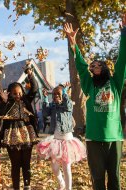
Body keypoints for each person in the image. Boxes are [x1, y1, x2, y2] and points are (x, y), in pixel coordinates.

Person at [64, 13, 126, 190]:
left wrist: (124, 32)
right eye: (93, 65)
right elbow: (82, 67)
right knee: (97, 179)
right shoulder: (89, 85)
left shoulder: (115, 82)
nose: (94, 67)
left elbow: (122, 59)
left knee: (114, 178)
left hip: (114, 138)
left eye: (99, 64)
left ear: (105, 68)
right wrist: (73, 43)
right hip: (93, 139)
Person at [0, 62, 39, 190]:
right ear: (9, 94)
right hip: (12, 135)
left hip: (27, 134)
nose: (18, 96)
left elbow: (35, 88)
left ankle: (27, 185)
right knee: (15, 164)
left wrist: (29, 73)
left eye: (19, 93)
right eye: (14, 93)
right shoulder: (6, 102)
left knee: (26, 163)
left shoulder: (26, 100)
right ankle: (16, 187)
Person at [37, 85, 86, 190]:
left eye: (58, 94)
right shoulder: (53, 106)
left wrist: (64, 93)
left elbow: (68, 106)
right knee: (54, 168)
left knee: (66, 166)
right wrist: (45, 98)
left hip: (67, 140)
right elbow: (45, 113)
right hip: (56, 140)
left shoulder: (67, 105)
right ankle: (61, 183)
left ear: (63, 95)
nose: (55, 96)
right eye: (54, 94)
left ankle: (68, 188)